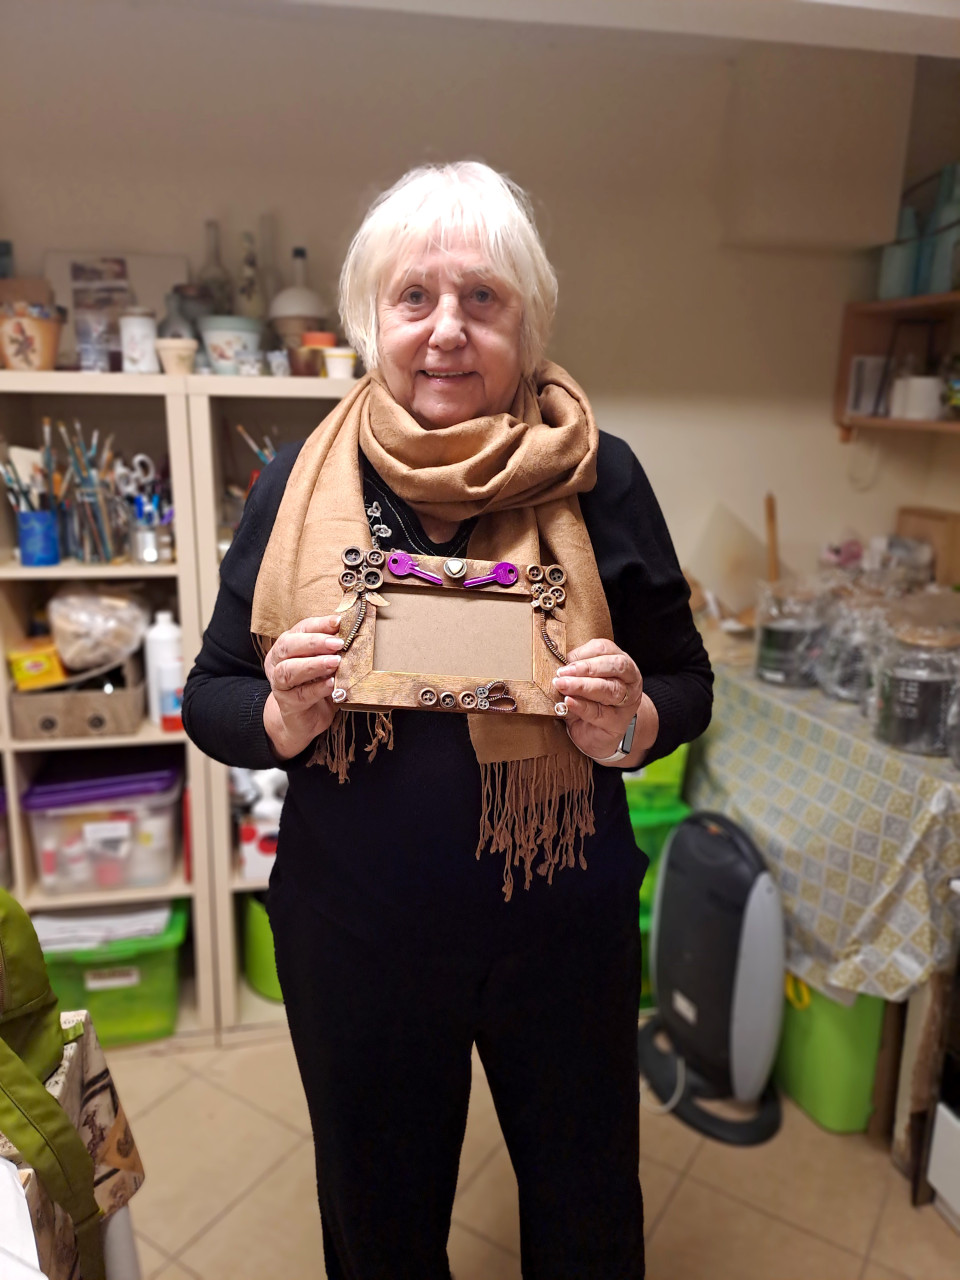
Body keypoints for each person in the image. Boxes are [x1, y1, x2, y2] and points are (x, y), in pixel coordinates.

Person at [183, 160, 712, 1280]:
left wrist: (630, 724)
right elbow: (211, 692)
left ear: (528, 321)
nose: (447, 330)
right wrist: (280, 713)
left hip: (559, 932)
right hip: (357, 936)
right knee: (381, 1232)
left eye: (483, 298)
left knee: (587, 1225)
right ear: (372, 320)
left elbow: (687, 680)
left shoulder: (601, 477)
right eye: (414, 297)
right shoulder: (300, 482)